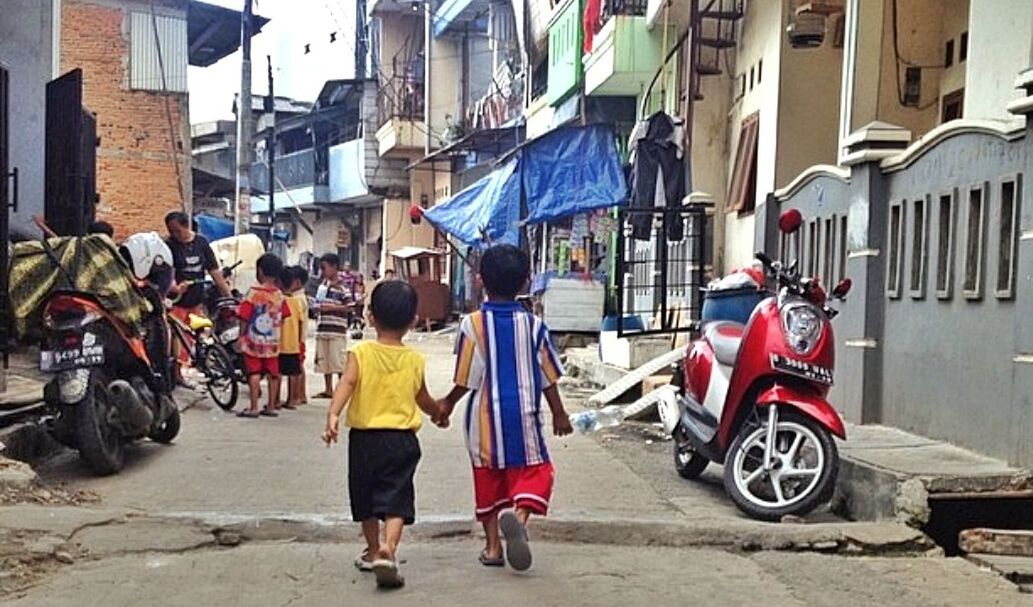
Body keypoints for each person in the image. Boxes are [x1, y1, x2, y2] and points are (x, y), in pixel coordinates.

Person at [435, 244, 573, 572]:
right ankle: (520, 516)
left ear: (480, 280)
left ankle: (493, 547)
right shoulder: (535, 326)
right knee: (535, 471)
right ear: (525, 283)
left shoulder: (472, 325)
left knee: (488, 479)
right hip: (525, 416)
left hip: (483, 421)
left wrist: (447, 405)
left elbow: (468, 378)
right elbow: (547, 377)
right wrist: (559, 413)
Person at [322, 280, 441, 590]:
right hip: (401, 441)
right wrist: (439, 412)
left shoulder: (360, 353)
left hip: (364, 440)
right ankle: (390, 547)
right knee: (397, 498)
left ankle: (373, 549)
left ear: (370, 316)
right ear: (414, 320)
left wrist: (333, 414)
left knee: (364, 496)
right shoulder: (415, 359)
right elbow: (423, 398)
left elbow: (346, 385)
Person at [164, 211, 231, 388]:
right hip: (176, 301)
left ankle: (202, 365)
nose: (174, 235)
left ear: (187, 226)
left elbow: (214, 271)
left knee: (200, 333)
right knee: (178, 338)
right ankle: (176, 373)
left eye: (177, 230)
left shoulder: (201, 243)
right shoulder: (169, 245)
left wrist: (228, 296)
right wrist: (175, 288)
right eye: (171, 231)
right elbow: (166, 273)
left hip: (197, 300)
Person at [237, 254, 290, 418]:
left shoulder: (252, 293)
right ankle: (272, 406)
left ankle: (254, 407)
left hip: (253, 341)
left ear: (259, 271)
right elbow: (285, 316)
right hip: (273, 342)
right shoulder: (279, 295)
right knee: (273, 374)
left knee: (254, 373)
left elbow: (244, 316)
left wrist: (241, 335)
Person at [313, 253, 352, 398]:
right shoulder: (322, 286)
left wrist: (332, 308)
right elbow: (318, 302)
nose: (322, 272)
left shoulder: (343, 287)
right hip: (323, 326)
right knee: (324, 360)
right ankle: (328, 389)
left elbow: (350, 307)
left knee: (338, 361)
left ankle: (342, 389)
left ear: (334, 267)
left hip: (337, 329)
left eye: (324, 268)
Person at [279, 265, 308, 410]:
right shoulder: (297, 301)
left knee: (277, 372)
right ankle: (293, 398)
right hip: (294, 342)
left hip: (280, 342)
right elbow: (301, 321)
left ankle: (278, 399)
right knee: (294, 371)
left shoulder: (279, 300)